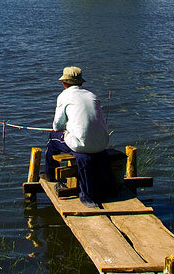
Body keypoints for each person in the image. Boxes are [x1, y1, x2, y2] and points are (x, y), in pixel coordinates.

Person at [43, 66, 118, 207]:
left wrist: (66, 127)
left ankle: (51, 175)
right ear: (80, 82)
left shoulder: (64, 96)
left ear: (64, 83)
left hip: (81, 145)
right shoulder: (92, 95)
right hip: (102, 144)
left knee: (52, 138)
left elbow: (57, 126)